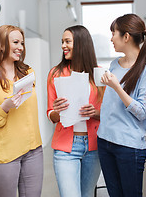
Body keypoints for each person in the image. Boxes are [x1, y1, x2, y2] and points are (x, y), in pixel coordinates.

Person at [0, 25, 43, 197]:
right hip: (3, 155)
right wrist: (4, 108)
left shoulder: (28, 73)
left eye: (22, 43)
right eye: (15, 42)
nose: (20, 47)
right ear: (1, 45)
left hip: (33, 149)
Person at [97, 13, 146, 197]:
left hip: (128, 147)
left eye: (113, 33)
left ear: (126, 37)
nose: (111, 38)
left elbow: (141, 112)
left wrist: (117, 87)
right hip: (105, 141)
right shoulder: (114, 63)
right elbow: (111, 104)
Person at [47, 25, 104, 197]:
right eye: (62, 42)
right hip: (66, 147)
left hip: (94, 147)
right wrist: (58, 110)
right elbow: (50, 114)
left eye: (67, 41)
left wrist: (94, 112)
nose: (63, 46)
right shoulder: (55, 73)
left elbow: (107, 112)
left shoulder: (98, 74)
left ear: (81, 43)